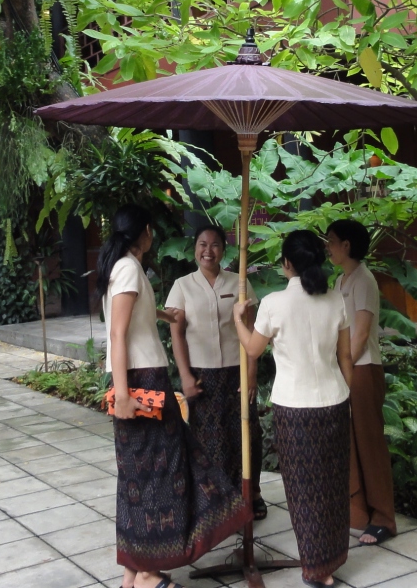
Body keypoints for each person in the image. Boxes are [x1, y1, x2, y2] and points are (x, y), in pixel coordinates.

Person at [101, 204, 249, 588]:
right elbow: (118, 332)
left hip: (141, 377)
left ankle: (133, 572)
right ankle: (148, 574)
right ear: (146, 232)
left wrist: (166, 317)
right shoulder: (129, 268)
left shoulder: (123, 267)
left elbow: (134, 318)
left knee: (140, 475)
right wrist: (122, 394)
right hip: (141, 379)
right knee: (158, 473)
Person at [234, 230, 353, 588]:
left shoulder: (273, 303)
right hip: (335, 401)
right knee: (333, 486)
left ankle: (316, 569)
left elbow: (253, 350)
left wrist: (239, 319)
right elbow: (345, 358)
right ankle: (330, 560)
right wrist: (348, 396)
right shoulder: (335, 299)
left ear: (287, 263)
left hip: (294, 408)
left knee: (303, 490)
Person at [165, 224, 264, 518]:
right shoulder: (182, 286)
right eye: (202, 244)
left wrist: (252, 373)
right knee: (209, 439)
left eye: (215, 245)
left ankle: (252, 493)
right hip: (202, 375)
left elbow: (252, 330)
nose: (208, 251)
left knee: (247, 434)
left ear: (224, 249)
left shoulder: (240, 284)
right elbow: (176, 333)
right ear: (195, 248)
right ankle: (217, 499)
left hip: (237, 372)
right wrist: (185, 375)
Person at [327, 219, 397, 545]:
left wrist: (344, 370)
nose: (328, 247)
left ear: (347, 245)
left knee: (369, 444)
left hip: (362, 369)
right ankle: (359, 512)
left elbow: (362, 332)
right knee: (351, 443)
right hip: (347, 369)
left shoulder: (364, 280)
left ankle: (384, 518)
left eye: (332, 241)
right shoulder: (341, 280)